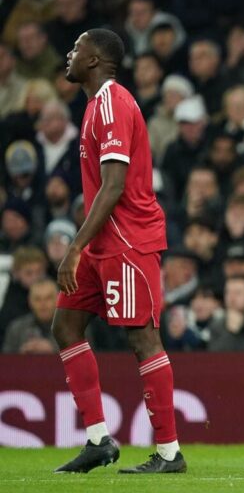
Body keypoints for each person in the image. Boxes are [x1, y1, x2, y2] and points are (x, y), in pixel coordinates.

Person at [52, 29, 185, 474]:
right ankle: (97, 439)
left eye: (76, 48)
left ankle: (169, 453)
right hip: (102, 243)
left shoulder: (111, 103)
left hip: (127, 240)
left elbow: (114, 186)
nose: (69, 54)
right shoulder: (94, 105)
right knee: (66, 325)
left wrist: (74, 247)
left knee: (142, 337)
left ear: (95, 60)